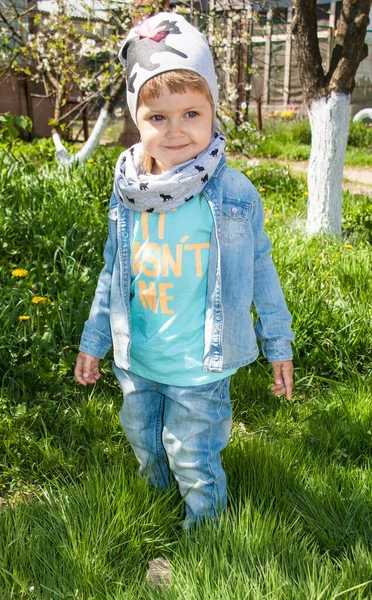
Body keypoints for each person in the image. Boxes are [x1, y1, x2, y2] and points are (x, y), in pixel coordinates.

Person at [74, 12, 294, 529]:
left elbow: (262, 269)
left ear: (214, 112)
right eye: (158, 118)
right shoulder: (128, 189)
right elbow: (114, 269)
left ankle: (205, 538)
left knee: (192, 457)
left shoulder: (233, 192)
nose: (176, 131)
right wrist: (94, 339)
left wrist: (278, 344)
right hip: (138, 356)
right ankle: (154, 510)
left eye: (191, 113)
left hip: (201, 363)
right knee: (147, 446)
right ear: (136, 118)